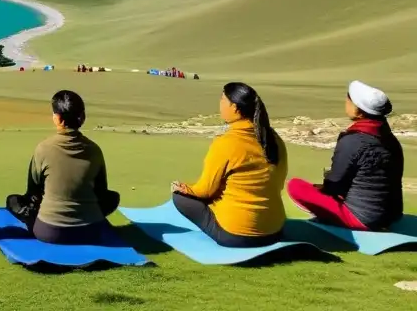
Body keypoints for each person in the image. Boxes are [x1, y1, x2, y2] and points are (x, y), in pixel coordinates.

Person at [171, 82, 287, 248]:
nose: (220, 104)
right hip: (275, 231)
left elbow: (205, 190)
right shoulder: (274, 140)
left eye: (222, 100)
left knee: (180, 198)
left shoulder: (226, 143)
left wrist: (185, 189)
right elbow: (278, 183)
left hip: (237, 234)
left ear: (234, 108)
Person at [5, 90, 119, 244]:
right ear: (83, 117)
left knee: (13, 201)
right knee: (113, 197)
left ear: (57, 118)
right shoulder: (95, 150)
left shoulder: (43, 148)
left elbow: (32, 192)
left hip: (49, 232)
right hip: (92, 231)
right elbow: (101, 191)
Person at [287, 81, 403, 231]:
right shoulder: (390, 139)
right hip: (392, 215)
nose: (346, 102)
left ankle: (332, 218)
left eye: (349, 99)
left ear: (359, 111)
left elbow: (335, 184)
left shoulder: (353, 140)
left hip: (364, 219)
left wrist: (325, 187)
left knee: (295, 186)